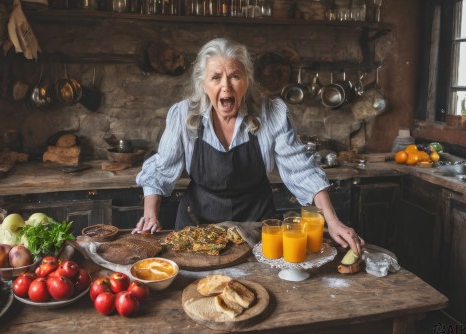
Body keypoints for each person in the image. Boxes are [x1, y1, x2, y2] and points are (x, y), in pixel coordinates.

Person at [133, 38, 365, 255]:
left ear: (247, 80)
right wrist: (150, 216)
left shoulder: (272, 113)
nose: (226, 87)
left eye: (234, 76)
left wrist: (332, 221)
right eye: (216, 78)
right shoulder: (184, 115)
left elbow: (302, 170)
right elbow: (161, 170)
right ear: (203, 84)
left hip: (257, 230)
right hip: (197, 228)